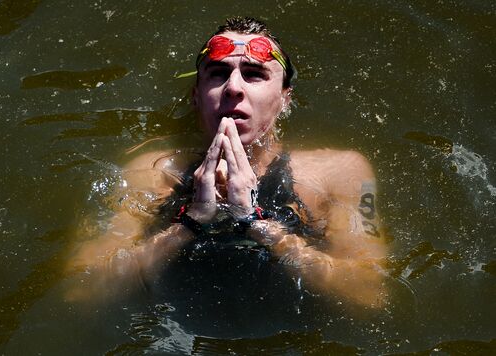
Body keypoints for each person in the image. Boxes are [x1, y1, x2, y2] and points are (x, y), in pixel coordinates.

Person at [66, 17, 387, 308]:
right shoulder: (151, 173)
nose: (233, 87)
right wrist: (188, 224)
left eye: (254, 74)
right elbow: (82, 288)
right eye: (218, 74)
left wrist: (258, 224)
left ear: (285, 97)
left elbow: (369, 292)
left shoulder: (340, 172)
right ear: (196, 95)